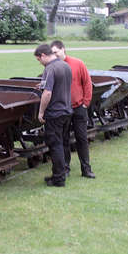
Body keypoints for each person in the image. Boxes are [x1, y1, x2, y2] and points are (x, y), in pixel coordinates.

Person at [50, 40, 95, 178]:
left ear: (63, 49)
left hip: (78, 108)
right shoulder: (53, 67)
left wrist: (85, 103)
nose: (54, 55)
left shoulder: (77, 63)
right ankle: (65, 168)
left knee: (81, 138)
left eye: (56, 52)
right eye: (52, 53)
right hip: (63, 110)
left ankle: (86, 169)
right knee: (64, 140)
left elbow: (87, 83)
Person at [34, 44, 72, 187]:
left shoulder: (50, 68)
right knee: (62, 144)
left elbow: (48, 93)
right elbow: (60, 85)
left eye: (39, 60)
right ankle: (59, 174)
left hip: (55, 113)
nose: (40, 63)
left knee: (55, 145)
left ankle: (58, 179)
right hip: (67, 110)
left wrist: (41, 112)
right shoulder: (65, 66)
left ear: (43, 55)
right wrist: (43, 85)